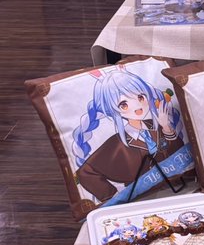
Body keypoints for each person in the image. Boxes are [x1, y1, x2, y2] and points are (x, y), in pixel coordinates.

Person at [72, 68, 186, 204]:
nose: (137, 107)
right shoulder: (116, 143)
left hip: (175, 190)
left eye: (140, 97)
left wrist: (166, 127)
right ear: (112, 109)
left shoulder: (157, 126)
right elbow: (85, 173)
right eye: (124, 104)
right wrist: (114, 197)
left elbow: (180, 155)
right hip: (139, 200)